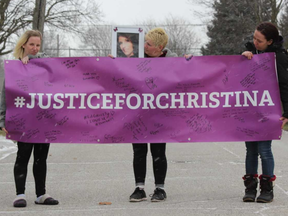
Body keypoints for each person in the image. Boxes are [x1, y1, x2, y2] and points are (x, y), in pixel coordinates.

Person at [0, 30, 59, 207]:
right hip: (23, 120)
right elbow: (5, 94)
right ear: (24, 44)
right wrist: (2, 119)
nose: (35, 48)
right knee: (23, 156)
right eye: (32, 44)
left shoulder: (43, 64)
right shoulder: (13, 67)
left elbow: (60, 71)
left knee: (41, 157)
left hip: (44, 120)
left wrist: (33, 61)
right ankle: (20, 194)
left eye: (38, 45)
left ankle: (41, 193)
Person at [129, 28, 178, 202]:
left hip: (160, 113)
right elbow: (118, 70)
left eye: (149, 44)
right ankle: (139, 188)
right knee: (139, 150)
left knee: (158, 150)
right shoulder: (135, 57)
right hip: (138, 112)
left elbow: (186, 76)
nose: (145, 46)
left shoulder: (172, 61)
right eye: (145, 42)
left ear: (160, 47)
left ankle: (160, 188)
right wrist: (113, 60)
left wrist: (188, 62)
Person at [241, 22, 288, 203]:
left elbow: (284, 85)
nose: (255, 42)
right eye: (253, 38)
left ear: (270, 41)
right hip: (249, 110)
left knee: (264, 150)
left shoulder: (280, 58)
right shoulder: (249, 53)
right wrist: (242, 58)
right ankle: (250, 188)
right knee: (250, 150)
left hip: (268, 110)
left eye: (259, 40)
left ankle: (267, 188)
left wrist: (287, 112)